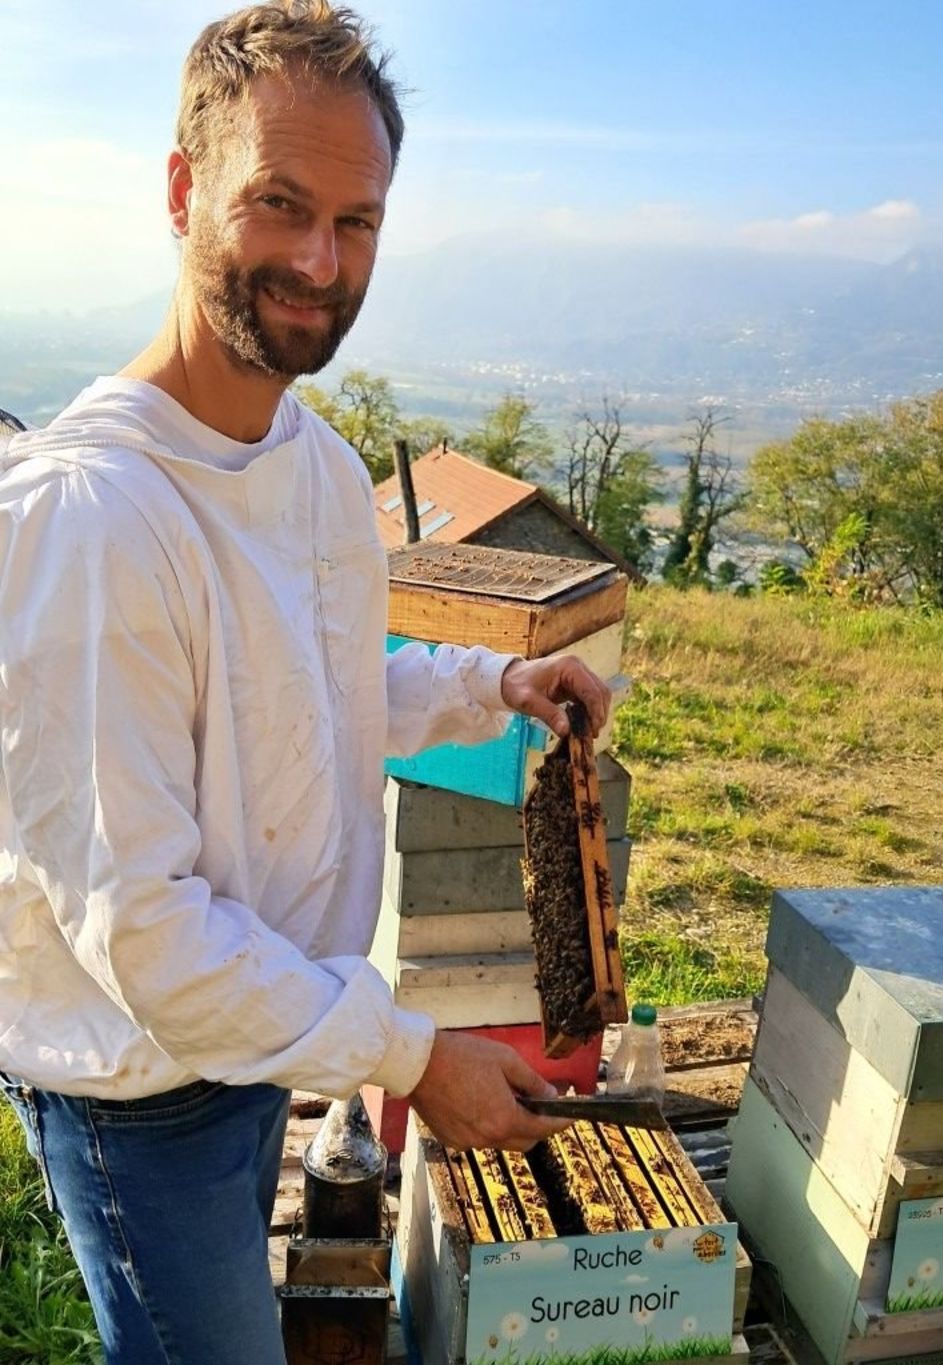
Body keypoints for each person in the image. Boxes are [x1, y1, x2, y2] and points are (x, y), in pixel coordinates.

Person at [0, 3, 610, 1361]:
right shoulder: (93, 521)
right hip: (141, 1093)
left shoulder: (321, 469)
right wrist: (415, 1060)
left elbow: (316, 689)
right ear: (183, 190)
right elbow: (147, 936)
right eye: (278, 203)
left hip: (266, 1027)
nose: (320, 261)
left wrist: (493, 685)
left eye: (357, 221)